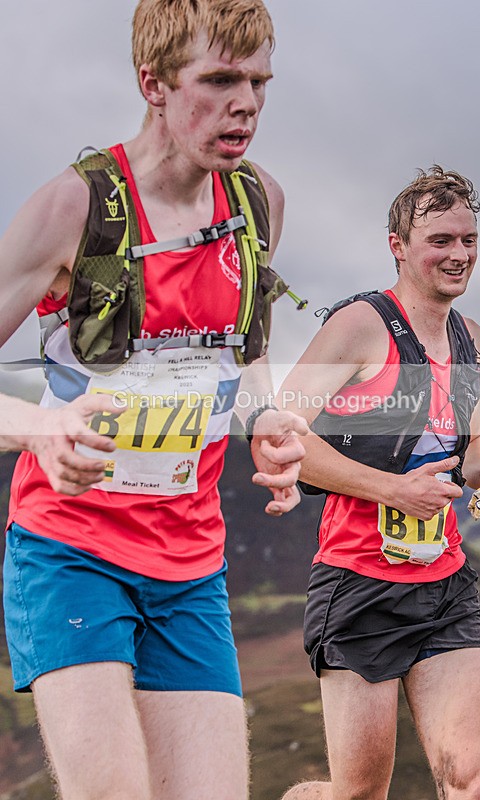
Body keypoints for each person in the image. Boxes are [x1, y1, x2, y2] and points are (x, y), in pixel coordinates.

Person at [0, 2, 308, 798]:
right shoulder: (72, 209)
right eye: (219, 79)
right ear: (155, 85)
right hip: (71, 551)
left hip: (190, 564)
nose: (246, 103)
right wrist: (38, 427)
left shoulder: (258, 206)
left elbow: (243, 347)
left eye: (259, 82)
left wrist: (263, 419)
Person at [277, 166, 480, 800]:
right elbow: (279, 436)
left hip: (444, 587)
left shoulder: (473, 340)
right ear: (399, 245)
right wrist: (391, 490)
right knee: (359, 793)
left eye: (468, 240)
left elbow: (466, 447)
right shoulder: (360, 326)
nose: (458, 254)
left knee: (474, 781)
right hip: (357, 583)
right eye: (440, 240)